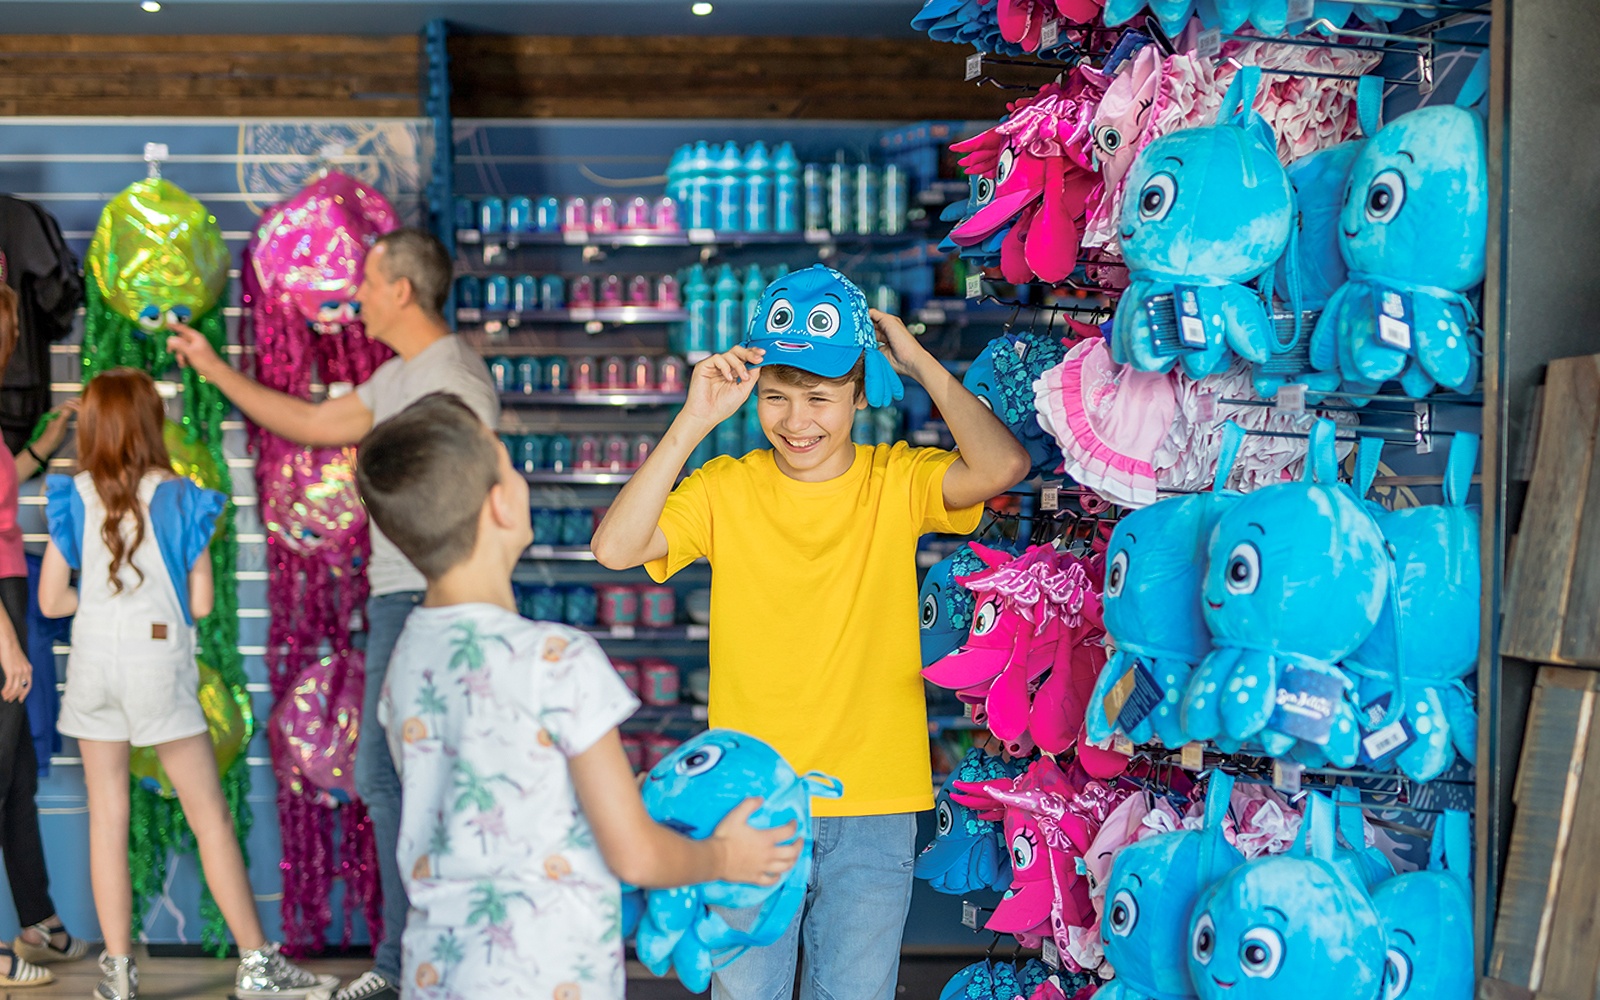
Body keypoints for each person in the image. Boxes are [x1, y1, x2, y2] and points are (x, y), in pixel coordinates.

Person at [590, 265, 1029, 1000]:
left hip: (877, 803)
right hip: (749, 802)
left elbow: (1003, 464)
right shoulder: (725, 488)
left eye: (821, 398)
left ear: (860, 395)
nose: (797, 422)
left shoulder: (898, 481)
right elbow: (614, 548)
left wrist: (919, 362)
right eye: (776, 399)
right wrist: (693, 419)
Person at [355, 392, 799, 1000]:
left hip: (439, 968)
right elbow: (636, 856)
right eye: (508, 463)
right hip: (549, 972)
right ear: (503, 505)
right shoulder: (558, 661)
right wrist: (726, 858)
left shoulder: (406, 657)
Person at [166, 227, 497, 1000]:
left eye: (368, 282)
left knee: (411, 779)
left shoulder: (453, 380)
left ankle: (413, 963)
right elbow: (313, 424)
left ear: (402, 291)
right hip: (398, 599)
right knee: (388, 781)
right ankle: (405, 960)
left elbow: (479, 499)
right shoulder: (399, 376)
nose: (357, 297)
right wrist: (213, 366)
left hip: (430, 601)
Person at [38, 369, 339, 1000]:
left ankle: (117, 974)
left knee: (107, 820)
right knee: (210, 819)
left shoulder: (74, 494)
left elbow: (51, 600)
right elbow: (201, 603)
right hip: (157, 666)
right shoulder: (180, 496)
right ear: (152, 424)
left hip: (92, 668)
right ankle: (257, 964)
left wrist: (98, 599)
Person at [0, 283, 85, 988]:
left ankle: (39, 921)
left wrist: (39, 449)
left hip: (9, 594)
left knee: (16, 774)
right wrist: (5, 639)